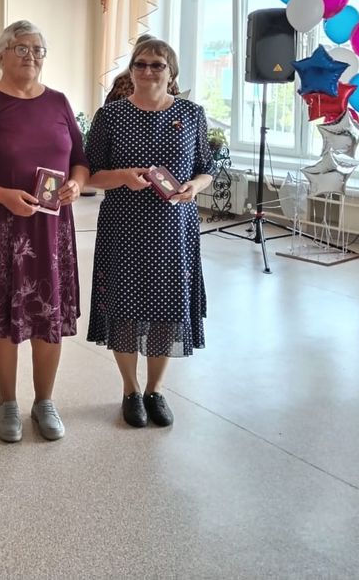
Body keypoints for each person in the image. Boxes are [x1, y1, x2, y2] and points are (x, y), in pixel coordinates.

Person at [0, 20, 89, 443]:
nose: (30, 55)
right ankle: (8, 402)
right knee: (3, 318)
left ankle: (44, 401)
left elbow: (81, 160)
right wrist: (2, 196)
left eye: (37, 49)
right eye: (20, 48)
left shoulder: (59, 103)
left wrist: (77, 185)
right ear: (1, 55)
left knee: (49, 314)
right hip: (0, 231)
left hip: (51, 234)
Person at [84, 37, 216, 428]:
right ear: (131, 70)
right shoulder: (111, 115)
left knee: (166, 309)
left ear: (171, 72)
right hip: (123, 227)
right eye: (140, 64)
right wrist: (124, 177)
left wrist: (195, 186)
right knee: (124, 309)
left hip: (173, 229)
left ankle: (155, 390)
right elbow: (90, 174)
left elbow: (206, 168)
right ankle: (130, 389)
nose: (147, 71)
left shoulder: (191, 114)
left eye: (157, 64)